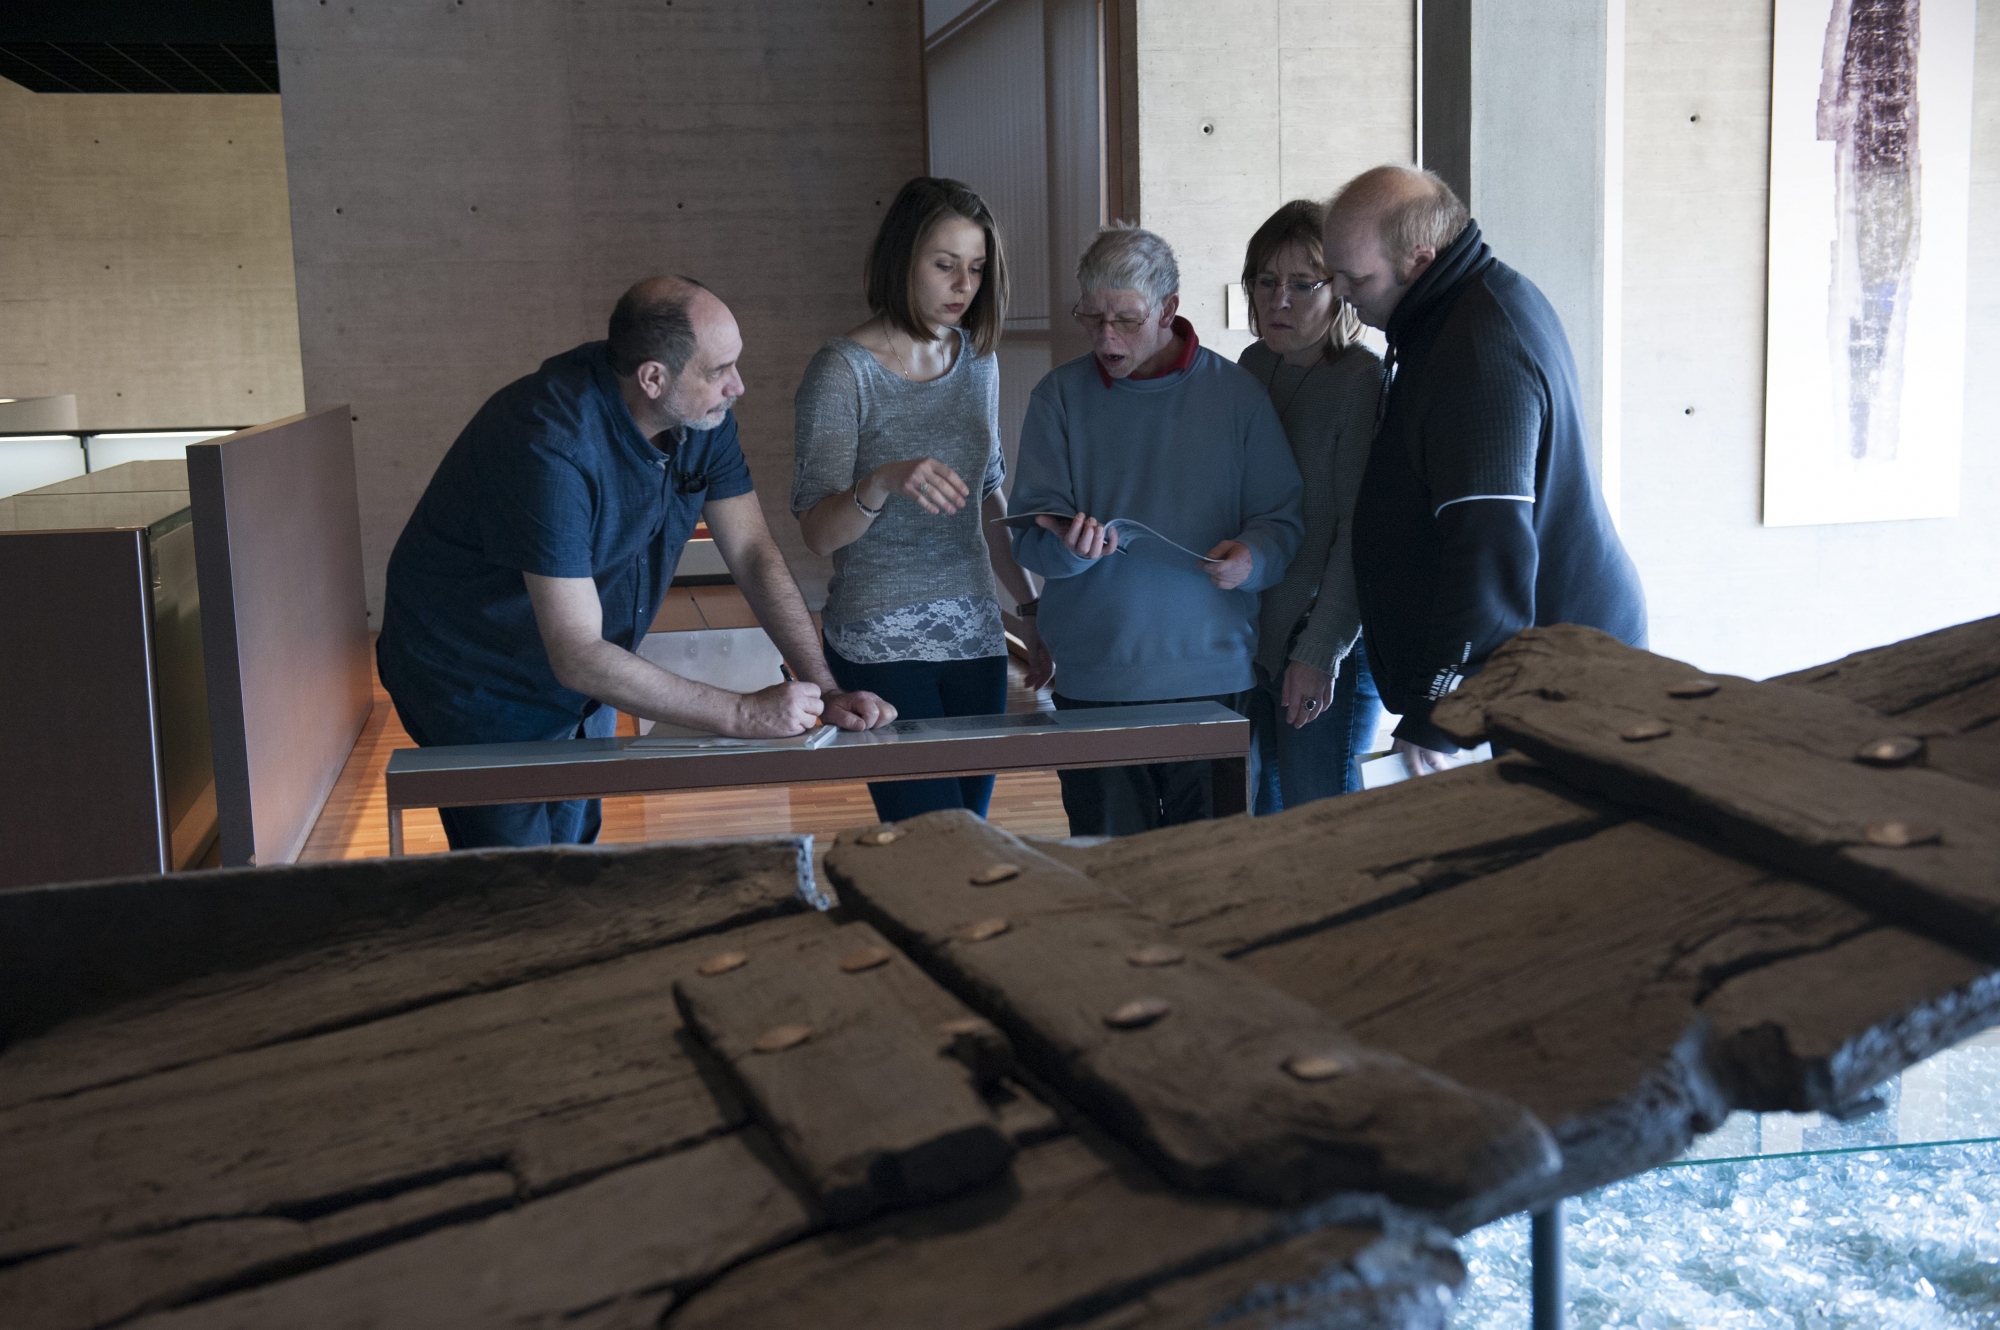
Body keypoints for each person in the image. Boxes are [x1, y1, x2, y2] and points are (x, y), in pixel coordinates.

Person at [377, 276, 895, 849]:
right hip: (474, 673)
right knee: (515, 876)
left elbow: (751, 553)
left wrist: (822, 687)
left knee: (574, 848)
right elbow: (576, 653)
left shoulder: (701, 419)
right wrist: (744, 715)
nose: (738, 385)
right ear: (653, 377)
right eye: (719, 369)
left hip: (582, 665)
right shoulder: (549, 443)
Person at [1322, 166, 1647, 771]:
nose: (1338, 290)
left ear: (1419, 260)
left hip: (1557, 678)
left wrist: (1440, 712)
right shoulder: (1463, 306)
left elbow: (1490, 555)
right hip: (1530, 667)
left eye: (1354, 276)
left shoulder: (1477, 350)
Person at [1010, 224, 1304, 836]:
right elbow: (1029, 536)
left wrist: (1253, 558)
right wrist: (1072, 551)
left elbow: (1282, 519)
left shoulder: (1237, 397)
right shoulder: (1058, 397)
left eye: (1125, 319)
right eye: (1091, 319)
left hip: (1214, 682)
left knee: (1212, 877)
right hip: (1095, 682)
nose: (1105, 337)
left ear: (1169, 309)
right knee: (1113, 877)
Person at [792, 177, 1047, 823]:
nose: (964, 285)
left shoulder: (978, 361)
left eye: (977, 268)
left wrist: (1029, 608)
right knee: (929, 836)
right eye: (945, 265)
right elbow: (818, 534)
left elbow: (989, 496)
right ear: (902, 260)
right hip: (880, 643)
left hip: (977, 641)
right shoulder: (843, 370)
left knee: (973, 836)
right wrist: (880, 481)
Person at [1237, 199, 1387, 810]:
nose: (1280, 301)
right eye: (1266, 282)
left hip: (1330, 644)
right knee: (1264, 821)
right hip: (1261, 639)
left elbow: (1359, 532)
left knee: (1324, 824)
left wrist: (1319, 651)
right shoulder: (1251, 366)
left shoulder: (1361, 381)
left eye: (1303, 284)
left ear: (1341, 292)